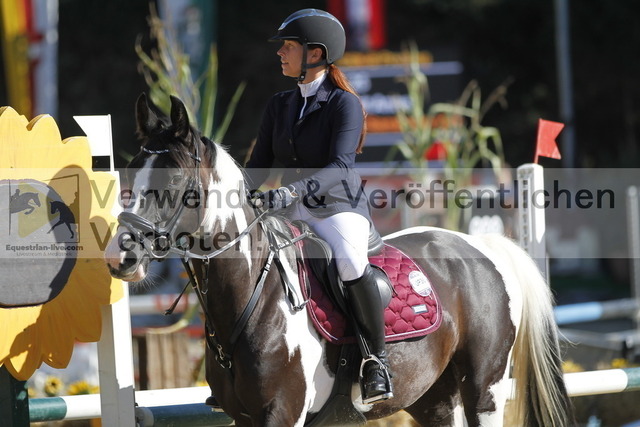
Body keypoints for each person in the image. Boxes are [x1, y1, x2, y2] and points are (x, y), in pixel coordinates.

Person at [245, 9, 393, 404]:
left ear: (315, 53)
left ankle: (375, 361)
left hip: (337, 208)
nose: (280, 53)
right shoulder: (279, 104)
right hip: (288, 210)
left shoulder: (344, 104)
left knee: (349, 261)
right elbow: (258, 167)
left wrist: (291, 193)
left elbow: (342, 166)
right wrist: (228, 193)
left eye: (288, 46)